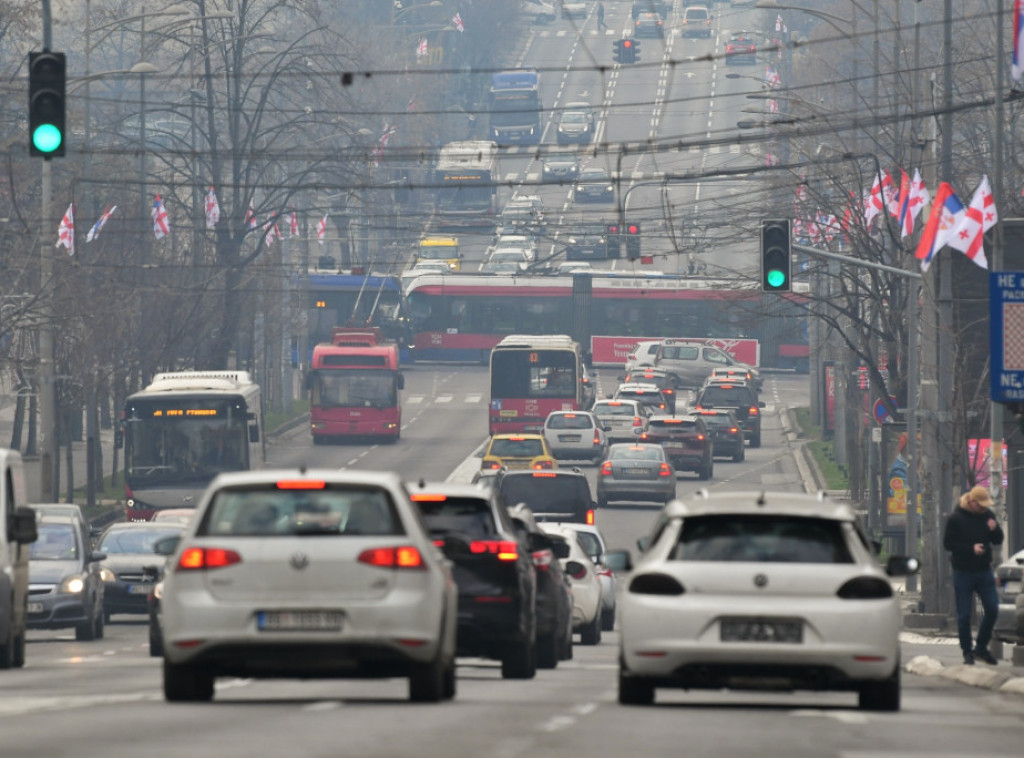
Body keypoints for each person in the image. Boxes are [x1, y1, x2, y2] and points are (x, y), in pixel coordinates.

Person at [942, 485, 1004, 665]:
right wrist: (970, 549)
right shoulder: (957, 518)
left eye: (986, 506)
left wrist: (994, 529)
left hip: (984, 571)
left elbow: (998, 540)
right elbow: (948, 544)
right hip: (963, 571)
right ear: (971, 501)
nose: (984, 509)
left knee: (992, 608)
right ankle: (967, 651)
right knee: (963, 616)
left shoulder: (988, 516)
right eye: (981, 505)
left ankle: (981, 647)